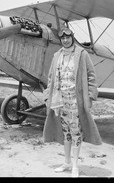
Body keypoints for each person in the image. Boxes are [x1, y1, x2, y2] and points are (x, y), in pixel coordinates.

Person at [43, 27, 102, 177]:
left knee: (76, 132)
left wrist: (90, 96)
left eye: (68, 37)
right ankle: (67, 162)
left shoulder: (82, 54)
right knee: (65, 133)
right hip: (60, 101)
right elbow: (51, 78)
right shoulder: (57, 56)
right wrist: (47, 96)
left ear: (72, 38)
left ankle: (75, 165)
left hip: (76, 101)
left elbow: (91, 75)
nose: (65, 40)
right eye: (62, 38)